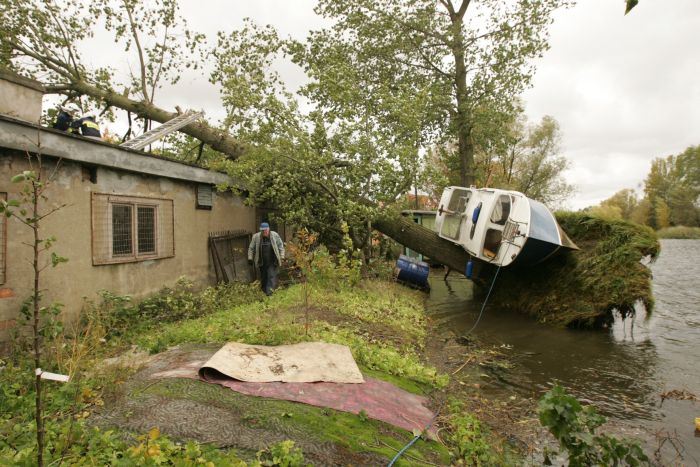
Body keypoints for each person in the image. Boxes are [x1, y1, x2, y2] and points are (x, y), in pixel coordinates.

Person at [248, 222, 285, 296]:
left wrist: (282, 256)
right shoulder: (256, 237)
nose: (264, 232)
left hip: (272, 261)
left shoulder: (274, 235)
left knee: (271, 276)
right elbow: (251, 248)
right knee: (264, 278)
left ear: (268, 229)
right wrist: (250, 258)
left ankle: (269, 294)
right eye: (262, 230)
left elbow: (281, 246)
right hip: (262, 262)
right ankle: (264, 292)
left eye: (265, 230)